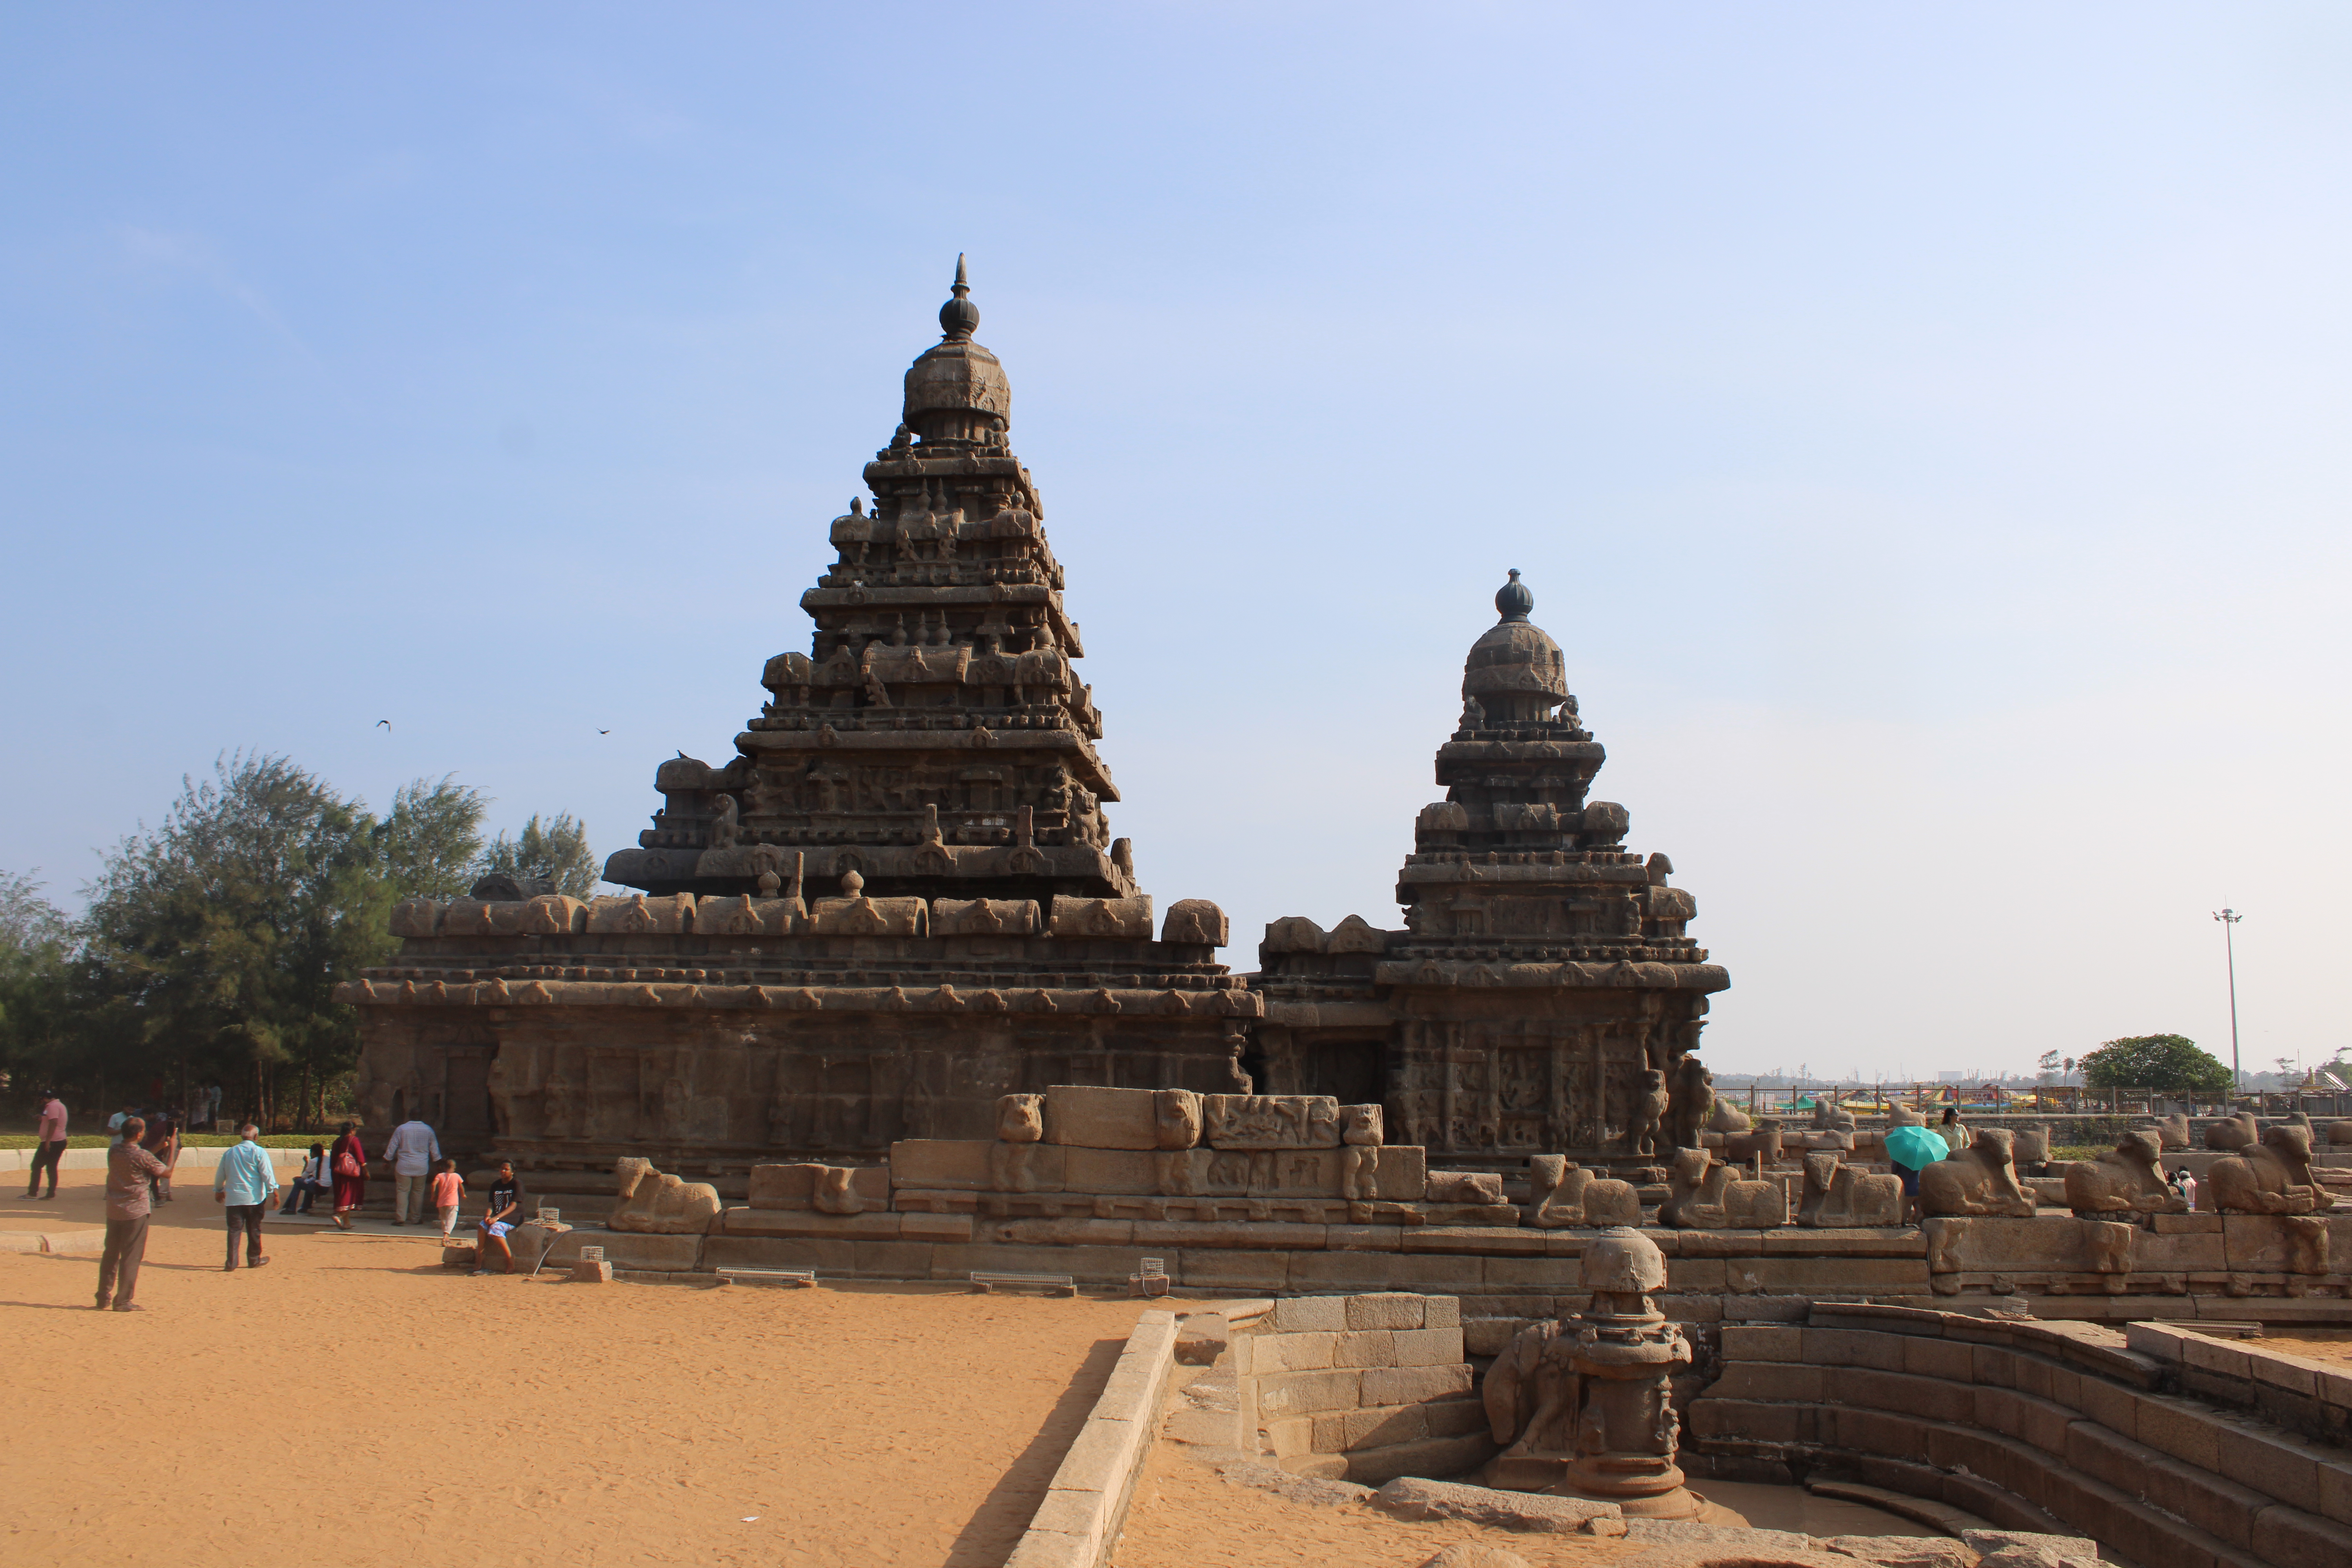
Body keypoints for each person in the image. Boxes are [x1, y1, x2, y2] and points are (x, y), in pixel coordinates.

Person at [98, 1116, 167, 1311]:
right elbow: (166, 1172)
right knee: (131, 1256)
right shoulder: (143, 1156)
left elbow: (140, 1159)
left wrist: (158, 1147)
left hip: (114, 1209)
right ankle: (123, 1300)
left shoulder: (114, 1150)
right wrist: (171, 1149)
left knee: (111, 1253)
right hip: (136, 1211)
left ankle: (103, 1296)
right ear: (139, 1134)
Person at [213, 1122, 283, 1270]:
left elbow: (221, 1173)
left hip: (234, 1199)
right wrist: (274, 1192)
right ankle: (254, 1259)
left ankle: (231, 1263)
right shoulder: (259, 1152)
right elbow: (267, 1174)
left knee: (234, 1230)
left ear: (242, 1136)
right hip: (254, 1199)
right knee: (254, 1230)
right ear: (256, 1136)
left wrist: (219, 1190)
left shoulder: (230, 1153)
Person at [383, 1113, 442, 1226]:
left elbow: (393, 1146)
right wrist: (438, 1164)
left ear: (409, 1117)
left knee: (403, 1191)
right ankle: (416, 1218)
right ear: (421, 1118)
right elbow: (435, 1149)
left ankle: (401, 1219)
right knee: (418, 1192)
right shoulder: (428, 1130)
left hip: (404, 1165)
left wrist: (387, 1160)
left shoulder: (402, 1129)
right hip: (421, 1166)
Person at [475, 1160, 523, 1274]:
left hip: (513, 1216)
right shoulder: (496, 1185)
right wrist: (488, 1216)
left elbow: (513, 1206)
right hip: (497, 1215)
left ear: (513, 1172)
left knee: (495, 1229)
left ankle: (510, 1258)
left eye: (506, 1169)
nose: (503, 1171)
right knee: (482, 1227)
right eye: (502, 1169)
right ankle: (480, 1257)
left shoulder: (517, 1184)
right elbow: (491, 1204)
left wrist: (496, 1218)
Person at [24, 1088, 66, 1200]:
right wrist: (42, 1118)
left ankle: (32, 1193)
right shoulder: (59, 1105)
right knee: (52, 1167)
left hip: (53, 1141)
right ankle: (51, 1193)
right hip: (59, 1140)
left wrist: (47, 1142)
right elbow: (50, 1120)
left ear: (43, 1098)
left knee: (36, 1166)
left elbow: (54, 1123)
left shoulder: (52, 1107)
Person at [328, 1121, 368, 1230]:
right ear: (352, 1131)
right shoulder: (354, 1140)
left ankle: (347, 1223)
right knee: (349, 1196)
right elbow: (360, 1157)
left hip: (337, 1172)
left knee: (341, 1195)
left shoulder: (337, 1142)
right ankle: (339, 1216)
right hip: (350, 1174)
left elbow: (332, 1160)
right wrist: (365, 1171)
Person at [280, 1143, 332, 1215]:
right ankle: (306, 1206)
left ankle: (291, 1208)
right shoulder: (328, 1159)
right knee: (309, 1182)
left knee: (299, 1182)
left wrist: (306, 1163)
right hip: (328, 1187)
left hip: (320, 1187)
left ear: (313, 1152)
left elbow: (304, 1176)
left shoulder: (314, 1161)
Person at [141, 1111, 180, 1205]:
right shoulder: (169, 1128)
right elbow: (168, 1172)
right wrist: (168, 1152)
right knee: (161, 1175)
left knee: (153, 1178)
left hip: (154, 1151)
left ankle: (161, 1196)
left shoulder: (117, 1151)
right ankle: (161, 1196)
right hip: (160, 1152)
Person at [429, 1158, 466, 1239]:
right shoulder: (457, 1176)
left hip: (441, 1202)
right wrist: (463, 1194)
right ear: (454, 1168)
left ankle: (445, 1236)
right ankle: (447, 1235)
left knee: (444, 1220)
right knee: (452, 1219)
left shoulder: (440, 1176)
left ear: (445, 1168)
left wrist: (433, 1196)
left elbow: (433, 1185)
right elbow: (461, 1187)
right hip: (453, 1202)